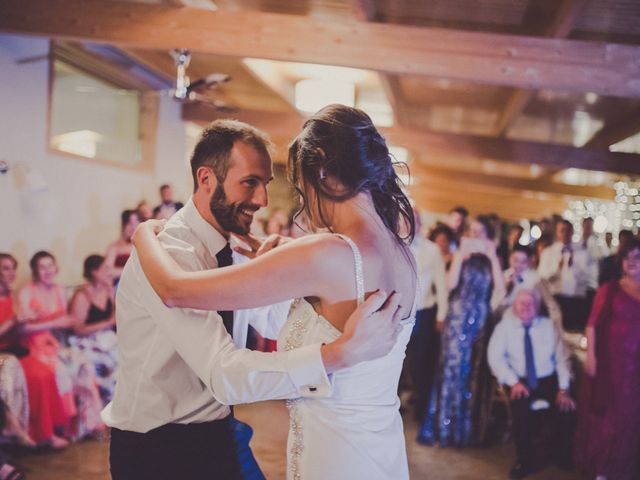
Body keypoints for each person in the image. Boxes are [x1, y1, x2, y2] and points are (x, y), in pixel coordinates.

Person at [105, 110, 409, 480]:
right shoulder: (167, 249)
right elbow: (223, 370)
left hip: (224, 431)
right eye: (250, 182)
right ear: (206, 178)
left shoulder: (243, 248)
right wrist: (337, 354)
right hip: (158, 447)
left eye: (267, 183)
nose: (264, 199)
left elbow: (276, 321)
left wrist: (289, 277)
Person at [418, 216, 505, 447]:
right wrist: (459, 256)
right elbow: (449, 285)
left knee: (473, 374)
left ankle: (465, 432)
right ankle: (443, 430)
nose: (475, 236)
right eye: (472, 232)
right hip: (457, 319)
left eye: (480, 232)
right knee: (451, 370)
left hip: (480, 322)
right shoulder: (460, 255)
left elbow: (501, 290)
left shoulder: (491, 260)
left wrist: (492, 255)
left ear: (488, 236)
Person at [488, 289, 576, 479]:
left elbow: (562, 359)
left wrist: (563, 389)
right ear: (514, 307)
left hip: (547, 379)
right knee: (521, 415)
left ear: (537, 307)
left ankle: (561, 455)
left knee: (566, 408)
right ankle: (524, 461)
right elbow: (495, 357)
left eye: (531, 304)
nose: (527, 307)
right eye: (522, 304)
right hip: (520, 380)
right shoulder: (505, 327)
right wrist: (513, 382)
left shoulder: (548, 326)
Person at [17, 251, 103, 444]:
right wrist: (53, 322)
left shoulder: (59, 291)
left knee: (85, 366)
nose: (47, 271)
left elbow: (70, 321)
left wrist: (46, 322)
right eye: (42, 267)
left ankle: (87, 425)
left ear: (56, 268)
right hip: (34, 346)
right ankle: (62, 426)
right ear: (35, 271)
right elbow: (23, 328)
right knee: (61, 371)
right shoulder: (26, 292)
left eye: (50, 266)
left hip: (57, 344)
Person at [574, 238, 640, 480]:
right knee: (610, 418)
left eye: (637, 257)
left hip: (636, 370)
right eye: (627, 257)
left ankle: (623, 471)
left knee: (631, 419)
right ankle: (603, 470)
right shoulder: (610, 288)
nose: (631, 262)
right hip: (611, 365)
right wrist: (591, 357)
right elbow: (592, 325)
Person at [407, 213, 447, 422]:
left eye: (415, 220)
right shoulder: (393, 244)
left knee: (422, 363)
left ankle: (421, 410)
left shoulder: (432, 250)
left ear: (421, 224)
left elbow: (441, 284)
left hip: (424, 312)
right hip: (399, 312)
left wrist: (441, 315)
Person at [68, 255, 117, 404]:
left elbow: (116, 317)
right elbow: (78, 329)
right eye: (105, 269)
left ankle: (119, 402)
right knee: (105, 360)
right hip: (86, 339)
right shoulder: (82, 295)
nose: (110, 272)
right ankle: (104, 405)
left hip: (107, 337)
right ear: (94, 272)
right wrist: (107, 323)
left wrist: (111, 293)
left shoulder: (109, 290)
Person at [538, 220, 592, 331]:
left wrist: (574, 266)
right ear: (557, 233)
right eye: (562, 231)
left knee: (574, 332)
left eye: (568, 231)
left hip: (576, 300)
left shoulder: (582, 252)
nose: (565, 234)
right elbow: (542, 277)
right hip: (555, 299)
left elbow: (588, 278)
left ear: (572, 232)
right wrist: (557, 268)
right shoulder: (549, 252)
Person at [499, 245, 562, 328]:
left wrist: (556, 327)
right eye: (515, 260)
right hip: (505, 322)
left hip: (529, 323)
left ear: (529, 262)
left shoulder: (535, 279)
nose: (518, 265)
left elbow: (551, 306)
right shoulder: (504, 276)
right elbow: (495, 305)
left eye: (523, 262)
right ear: (510, 258)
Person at [105, 209, 140, 281]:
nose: (133, 227)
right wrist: (132, 271)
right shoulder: (115, 247)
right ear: (123, 225)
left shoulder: (143, 245)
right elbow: (108, 271)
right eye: (129, 223)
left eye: (136, 222)